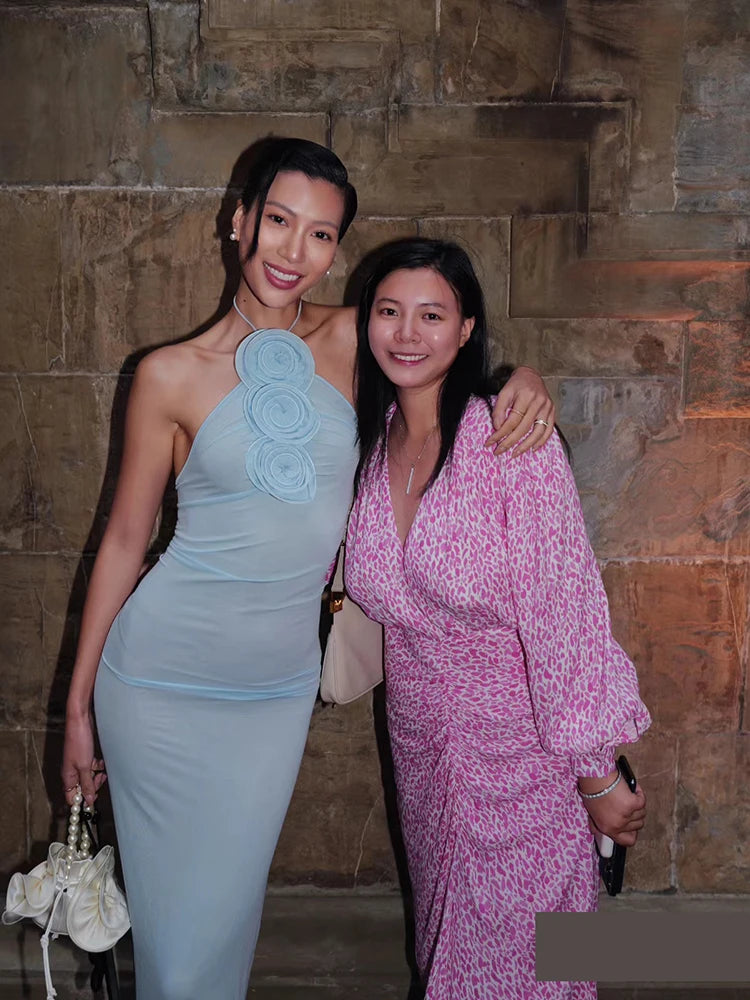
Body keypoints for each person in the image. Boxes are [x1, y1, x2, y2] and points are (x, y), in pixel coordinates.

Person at [60, 139, 556, 1000]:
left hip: (274, 695)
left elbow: (439, 351)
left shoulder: (353, 339)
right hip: (159, 682)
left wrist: (524, 376)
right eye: (280, 223)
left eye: (322, 236)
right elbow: (124, 540)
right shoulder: (167, 374)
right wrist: (77, 706)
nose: (295, 252)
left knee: (226, 924)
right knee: (178, 951)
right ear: (238, 221)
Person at [344, 238, 651, 999]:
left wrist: (594, 772)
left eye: (431, 314)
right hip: (422, 751)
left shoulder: (509, 437)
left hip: (526, 756)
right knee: (448, 948)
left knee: (535, 961)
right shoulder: (370, 445)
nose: (407, 333)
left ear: (467, 328)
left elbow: (564, 610)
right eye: (390, 311)